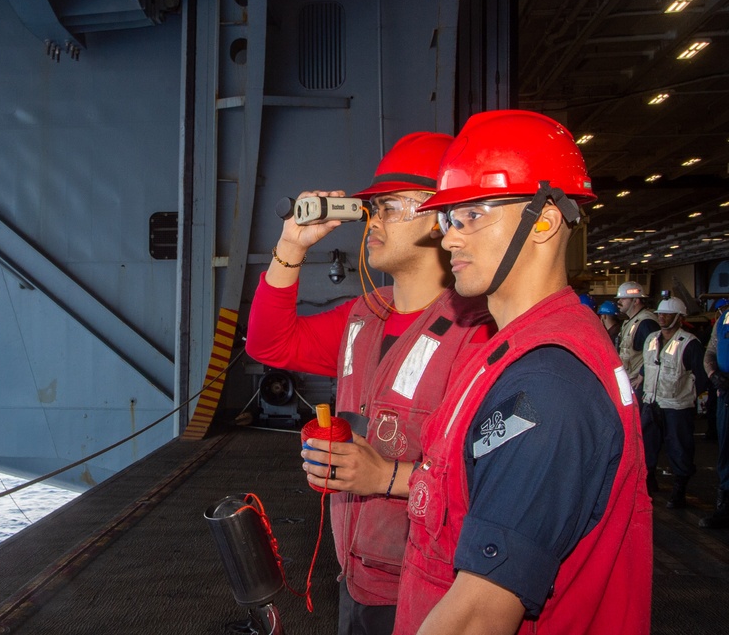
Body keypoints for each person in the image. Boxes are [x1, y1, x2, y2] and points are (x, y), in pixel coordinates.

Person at [356, 110, 650, 634]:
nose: (449, 240)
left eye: (473, 215)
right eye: (449, 219)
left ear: (544, 218)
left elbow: (477, 617)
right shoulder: (507, 350)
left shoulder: (547, 387)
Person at [246, 132, 493, 635]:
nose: (373, 221)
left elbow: (484, 479)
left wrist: (382, 475)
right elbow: (265, 344)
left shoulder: (477, 331)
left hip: (431, 587)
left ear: (438, 216)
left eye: (390, 207)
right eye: (373, 209)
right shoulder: (363, 315)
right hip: (357, 579)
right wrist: (291, 245)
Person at [640, 297, 709, 508]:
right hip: (651, 402)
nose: (661, 317)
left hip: (676, 406)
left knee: (679, 447)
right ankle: (649, 481)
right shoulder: (651, 339)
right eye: (660, 314)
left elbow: (702, 376)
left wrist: (693, 397)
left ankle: (679, 489)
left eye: (667, 314)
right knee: (647, 444)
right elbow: (647, 367)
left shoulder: (689, 344)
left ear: (679, 318)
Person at [615, 280, 662, 492]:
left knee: (645, 431)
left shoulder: (646, 323)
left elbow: (654, 352)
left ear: (635, 300)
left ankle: (647, 477)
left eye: (623, 299)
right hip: (631, 383)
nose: (619, 302)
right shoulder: (631, 322)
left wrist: (642, 375)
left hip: (641, 386)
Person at [700, 297, 729, 528]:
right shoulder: (724, 320)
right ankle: (725, 504)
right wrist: (713, 375)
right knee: (726, 449)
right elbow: (710, 351)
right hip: (725, 392)